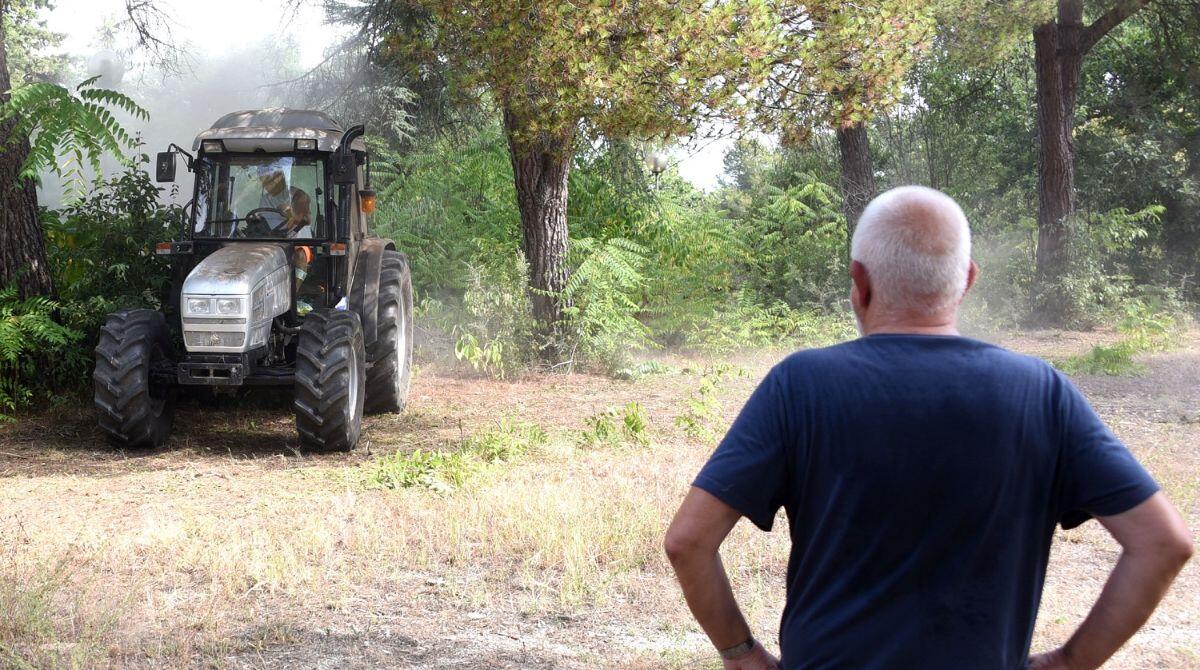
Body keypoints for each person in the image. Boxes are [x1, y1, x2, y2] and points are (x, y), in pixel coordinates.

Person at [664, 186, 1193, 670]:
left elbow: (689, 541)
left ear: (859, 282)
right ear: (966, 279)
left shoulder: (800, 385)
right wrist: (1072, 662)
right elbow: (1163, 544)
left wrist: (740, 654)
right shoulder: (1039, 391)